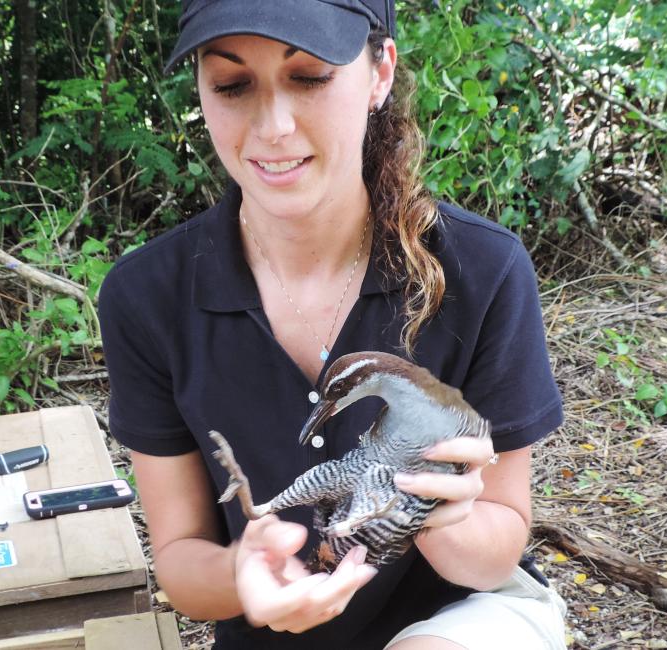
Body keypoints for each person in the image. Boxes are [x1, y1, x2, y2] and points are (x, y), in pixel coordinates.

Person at [97, 1, 567, 648]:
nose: (274, 126)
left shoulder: (483, 272)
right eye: (232, 85)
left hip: (460, 618)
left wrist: (441, 516)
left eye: (310, 76)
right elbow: (182, 561)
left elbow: (495, 553)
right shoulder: (146, 295)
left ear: (379, 74)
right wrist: (245, 574)